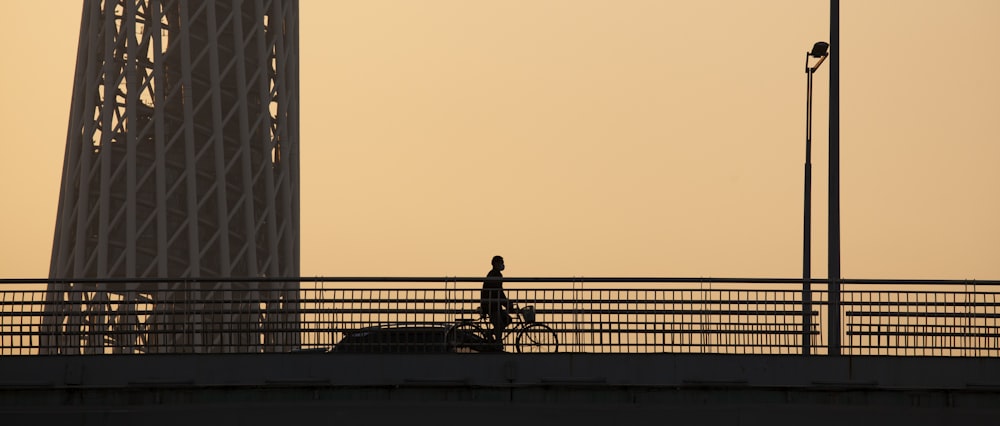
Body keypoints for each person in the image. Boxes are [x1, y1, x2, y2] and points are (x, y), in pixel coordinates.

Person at [480, 255, 512, 346]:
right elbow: (498, 292)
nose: (503, 265)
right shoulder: (495, 275)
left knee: (508, 319)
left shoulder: (494, 274)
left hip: (494, 304)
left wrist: (506, 303)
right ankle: (498, 344)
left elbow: (499, 292)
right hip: (491, 305)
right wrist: (506, 303)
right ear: (496, 264)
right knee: (499, 324)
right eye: (501, 262)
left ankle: (491, 333)